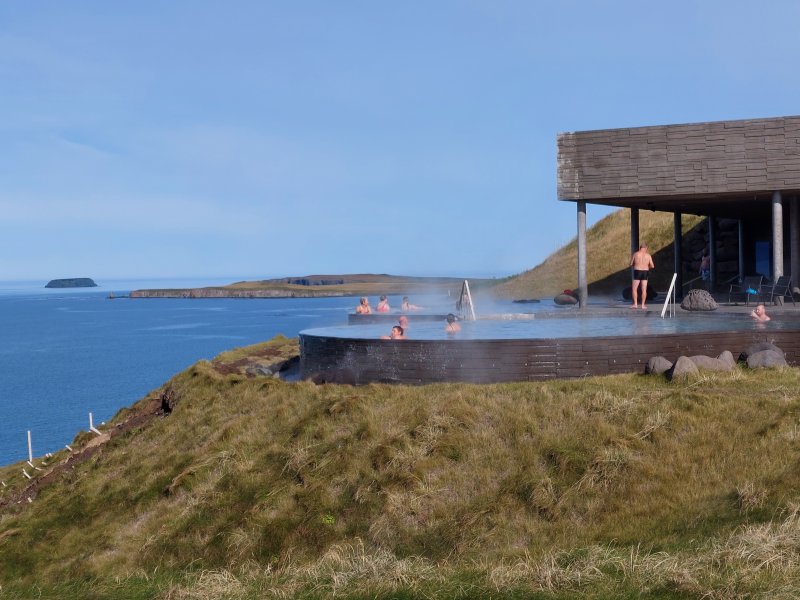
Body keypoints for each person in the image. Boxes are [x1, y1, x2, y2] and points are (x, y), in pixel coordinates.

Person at [630, 243, 655, 309]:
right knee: (644, 289)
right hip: (645, 272)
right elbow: (652, 266)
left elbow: (631, 264)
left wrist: (636, 265)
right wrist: (646, 266)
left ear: (640, 248)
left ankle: (635, 304)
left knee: (634, 288)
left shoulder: (636, 254)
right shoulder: (648, 255)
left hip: (637, 271)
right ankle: (643, 305)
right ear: (646, 248)